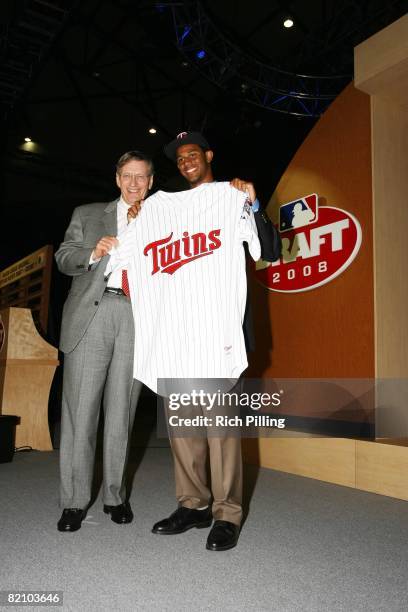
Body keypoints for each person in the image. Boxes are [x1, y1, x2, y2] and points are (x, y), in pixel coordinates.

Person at [149, 131, 281, 551]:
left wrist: (254, 205)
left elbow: (271, 251)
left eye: (192, 153)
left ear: (208, 155)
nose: (186, 160)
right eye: (179, 157)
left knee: (222, 429)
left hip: (219, 336)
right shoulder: (163, 211)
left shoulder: (231, 197)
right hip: (178, 337)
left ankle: (227, 513)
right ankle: (192, 505)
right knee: (183, 427)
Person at [55, 150, 153, 532]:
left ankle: (115, 495)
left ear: (151, 182)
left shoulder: (162, 220)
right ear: (117, 178)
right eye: (127, 176)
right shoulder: (86, 213)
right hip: (91, 316)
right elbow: (64, 257)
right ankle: (74, 501)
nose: (133, 183)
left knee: (122, 412)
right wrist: (93, 253)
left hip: (136, 317)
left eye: (141, 177)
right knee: (81, 413)